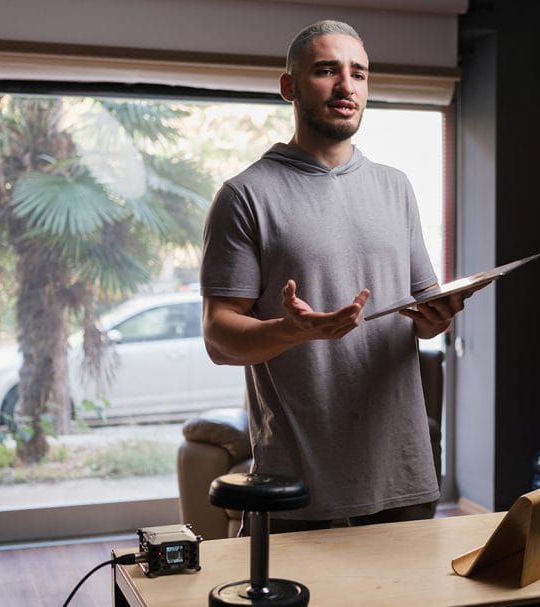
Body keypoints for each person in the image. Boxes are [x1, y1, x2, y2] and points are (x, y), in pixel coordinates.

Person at [200, 20, 471, 533]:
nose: (347, 86)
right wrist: (293, 331)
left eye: (359, 74)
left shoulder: (397, 187)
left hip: (405, 475)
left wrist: (438, 316)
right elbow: (218, 337)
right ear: (290, 88)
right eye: (327, 71)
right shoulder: (245, 196)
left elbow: (422, 312)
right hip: (299, 484)